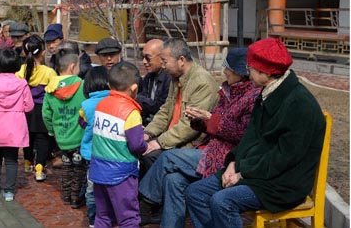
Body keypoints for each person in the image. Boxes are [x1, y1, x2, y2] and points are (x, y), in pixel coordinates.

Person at [185, 38, 326, 228]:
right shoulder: (266, 92)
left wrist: (242, 172)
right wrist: (233, 163)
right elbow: (250, 137)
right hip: (256, 170)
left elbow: (284, 158)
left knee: (223, 201)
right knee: (196, 192)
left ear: (266, 72)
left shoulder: (300, 105)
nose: (247, 72)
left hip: (282, 182)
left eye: (250, 68)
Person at [138, 48, 261, 227]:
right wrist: (200, 120)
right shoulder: (227, 90)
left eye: (229, 68)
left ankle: (145, 204)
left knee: (167, 157)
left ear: (242, 73)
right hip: (211, 147)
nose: (225, 72)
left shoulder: (251, 96)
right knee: (173, 181)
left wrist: (210, 120)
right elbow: (166, 111)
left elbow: (242, 134)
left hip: (227, 155)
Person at [140, 38, 218, 176]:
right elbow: (165, 111)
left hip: (188, 143)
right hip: (171, 137)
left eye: (165, 61)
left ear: (181, 60)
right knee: (139, 148)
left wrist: (160, 142)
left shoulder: (202, 82)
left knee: (150, 155)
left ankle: (148, 198)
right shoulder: (176, 78)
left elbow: (189, 127)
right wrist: (148, 133)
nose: (163, 66)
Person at [89, 61, 148, 228]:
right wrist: (145, 146)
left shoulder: (101, 105)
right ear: (134, 88)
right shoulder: (131, 112)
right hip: (122, 174)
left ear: (109, 85)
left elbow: (83, 121)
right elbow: (136, 145)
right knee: (128, 218)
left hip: (98, 170)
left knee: (103, 216)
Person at [0, 48, 34, 202]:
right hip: (15, 126)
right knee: (11, 159)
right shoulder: (22, 83)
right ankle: (9, 191)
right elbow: (29, 106)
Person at [42, 48, 86, 208]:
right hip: (79, 137)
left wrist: (52, 131)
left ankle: (66, 195)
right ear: (73, 67)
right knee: (79, 169)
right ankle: (76, 198)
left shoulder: (50, 89)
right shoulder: (82, 85)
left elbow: (46, 114)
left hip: (61, 137)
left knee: (67, 167)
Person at [16, 34, 58, 181]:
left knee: (27, 137)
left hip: (25, 110)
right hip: (42, 110)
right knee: (42, 139)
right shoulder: (49, 72)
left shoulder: (20, 71)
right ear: (42, 52)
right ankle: (39, 167)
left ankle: (27, 162)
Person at [78, 66, 110, 227]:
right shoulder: (115, 102)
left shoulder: (86, 106)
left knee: (92, 189)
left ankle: (93, 219)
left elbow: (82, 123)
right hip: (112, 155)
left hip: (92, 155)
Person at [136, 39, 171, 126]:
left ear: (161, 58)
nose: (144, 62)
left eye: (148, 58)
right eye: (143, 57)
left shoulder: (169, 78)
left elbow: (161, 107)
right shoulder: (149, 77)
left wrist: (134, 97)